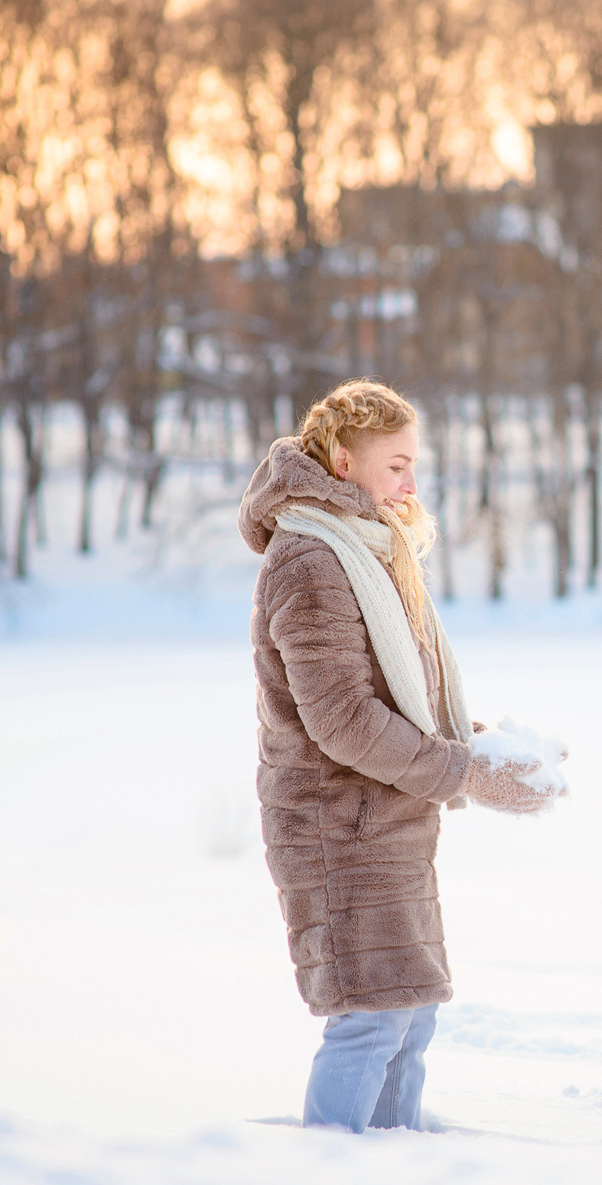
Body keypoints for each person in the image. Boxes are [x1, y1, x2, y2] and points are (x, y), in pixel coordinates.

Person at [238, 379, 557, 1133]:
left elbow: (404, 692)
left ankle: (393, 1177)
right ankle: (335, 1181)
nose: (412, 484)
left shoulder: (372, 548)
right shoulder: (311, 560)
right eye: (397, 466)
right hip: (336, 828)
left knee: (409, 1020)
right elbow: (344, 720)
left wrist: (487, 744)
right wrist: (465, 772)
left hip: (388, 822)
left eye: (415, 465)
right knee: (371, 1019)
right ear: (343, 462)